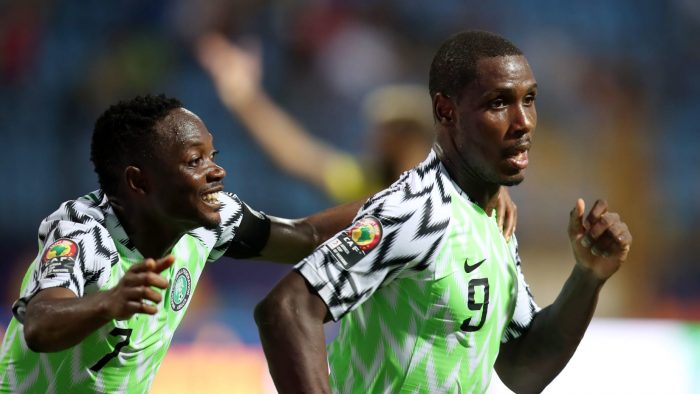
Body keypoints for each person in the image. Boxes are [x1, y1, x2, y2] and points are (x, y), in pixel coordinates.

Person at [254, 30, 633, 394]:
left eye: (529, 99)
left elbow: (523, 370)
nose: (524, 123)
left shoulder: (492, 220)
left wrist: (588, 277)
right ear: (445, 111)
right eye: (499, 103)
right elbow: (287, 307)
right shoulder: (417, 210)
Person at [0, 94, 367, 393]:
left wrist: (403, 201)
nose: (216, 171)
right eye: (195, 160)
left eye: (213, 157)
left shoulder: (210, 222)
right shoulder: (83, 232)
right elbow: (39, 324)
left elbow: (308, 236)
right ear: (139, 183)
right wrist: (108, 302)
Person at [196, 34, 516, 240]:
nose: (378, 138)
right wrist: (245, 98)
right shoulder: (369, 183)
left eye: (391, 130)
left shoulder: (456, 190)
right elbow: (296, 154)